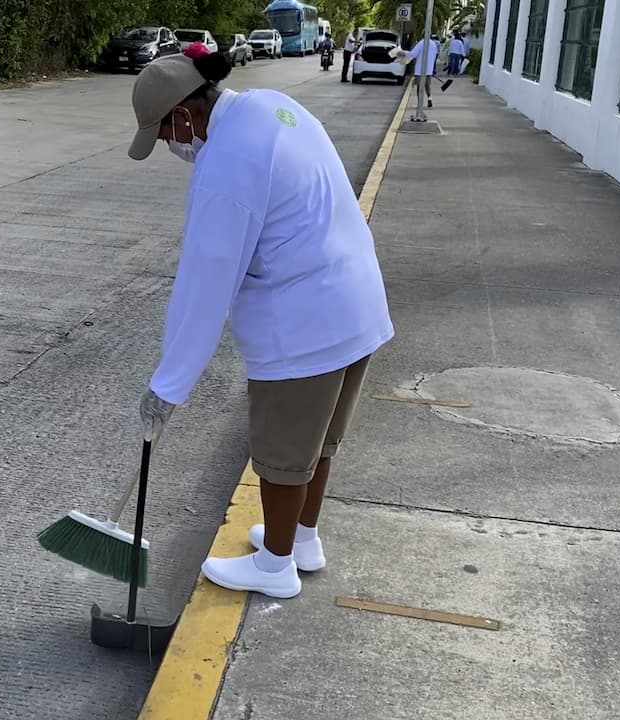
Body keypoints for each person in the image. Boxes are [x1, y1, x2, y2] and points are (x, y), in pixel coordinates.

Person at [126, 49, 394, 599]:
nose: (170, 146)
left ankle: (274, 567)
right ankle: (300, 539)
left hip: (304, 320)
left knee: (282, 449)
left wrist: (167, 386)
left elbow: (204, 285)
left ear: (182, 115)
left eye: (163, 134)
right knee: (318, 441)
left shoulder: (226, 164)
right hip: (355, 298)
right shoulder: (270, 107)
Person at [400, 33, 441, 107]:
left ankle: (419, 103)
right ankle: (429, 98)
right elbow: (435, 54)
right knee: (427, 85)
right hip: (429, 69)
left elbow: (413, 54)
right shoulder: (433, 44)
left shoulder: (421, 43)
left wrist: (404, 52)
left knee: (419, 86)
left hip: (420, 69)